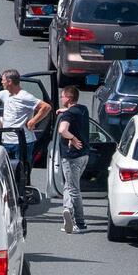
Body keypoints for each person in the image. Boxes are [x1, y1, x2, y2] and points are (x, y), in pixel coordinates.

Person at [0, 70, 53, 191]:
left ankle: (23, 193)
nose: (1, 82)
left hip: (22, 142)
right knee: (6, 172)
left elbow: (46, 107)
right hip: (6, 142)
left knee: (22, 172)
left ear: (9, 81)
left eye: (3, 80)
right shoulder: (5, 94)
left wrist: (33, 121)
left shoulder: (25, 96)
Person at [52, 85, 92, 233]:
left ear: (68, 98)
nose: (61, 98)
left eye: (62, 96)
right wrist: (65, 110)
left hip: (71, 158)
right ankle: (67, 211)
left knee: (74, 190)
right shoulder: (83, 109)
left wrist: (72, 138)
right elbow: (73, 111)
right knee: (69, 186)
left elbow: (62, 130)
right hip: (84, 156)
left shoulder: (68, 115)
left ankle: (80, 223)